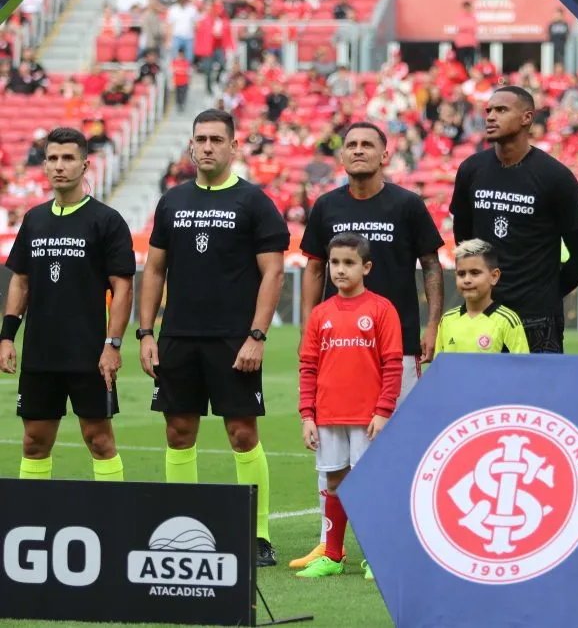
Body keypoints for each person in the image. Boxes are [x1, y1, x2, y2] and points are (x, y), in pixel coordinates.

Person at [138, 109, 290, 567]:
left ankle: (258, 534)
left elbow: (273, 273)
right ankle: (180, 527)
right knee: (178, 432)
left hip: (233, 340)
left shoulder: (254, 201)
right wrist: (146, 333)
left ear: (233, 146)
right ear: (190, 145)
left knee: (242, 433)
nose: (206, 147)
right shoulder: (172, 201)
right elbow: (155, 269)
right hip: (178, 337)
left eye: (216, 140)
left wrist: (257, 335)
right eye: (200, 139)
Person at [292, 120, 444, 568]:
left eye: (367, 145)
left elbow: (431, 266)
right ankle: (330, 545)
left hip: (396, 349)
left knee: (391, 450)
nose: (358, 150)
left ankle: (390, 549)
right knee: (333, 451)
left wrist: (432, 325)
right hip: (339, 345)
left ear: (385, 156)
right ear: (341, 157)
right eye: (351, 145)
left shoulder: (408, 205)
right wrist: (308, 326)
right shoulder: (326, 206)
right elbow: (315, 268)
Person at [0, 127, 135, 481]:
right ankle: (32, 524)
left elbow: (123, 288)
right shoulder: (34, 219)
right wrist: (6, 336)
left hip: (90, 353)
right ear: (44, 165)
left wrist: (113, 344)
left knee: (100, 440)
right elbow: (21, 280)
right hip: (41, 353)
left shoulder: (106, 220)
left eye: (68, 158)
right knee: (33, 442)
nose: (60, 166)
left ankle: (111, 521)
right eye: (53, 158)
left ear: (85, 165)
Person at [451, 85, 578, 354]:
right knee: (483, 396)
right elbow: (464, 241)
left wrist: (545, 294)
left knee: (536, 397)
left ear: (527, 117)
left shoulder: (556, 177)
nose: (491, 116)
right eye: (489, 110)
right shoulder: (471, 170)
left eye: (501, 110)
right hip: (483, 314)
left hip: (537, 320)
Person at [296, 232, 403, 580]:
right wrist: (307, 415)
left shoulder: (381, 309)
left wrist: (384, 411)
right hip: (328, 416)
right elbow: (308, 366)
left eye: (349, 263)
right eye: (335, 263)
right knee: (334, 481)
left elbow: (392, 364)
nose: (340, 270)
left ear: (366, 267)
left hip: (367, 417)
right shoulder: (320, 314)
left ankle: (376, 556)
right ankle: (332, 555)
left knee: (370, 483)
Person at [435, 239, 529, 355]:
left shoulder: (507, 321)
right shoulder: (447, 320)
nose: (467, 280)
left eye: (475, 273)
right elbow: (440, 368)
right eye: (461, 274)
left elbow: (521, 368)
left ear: (494, 276)